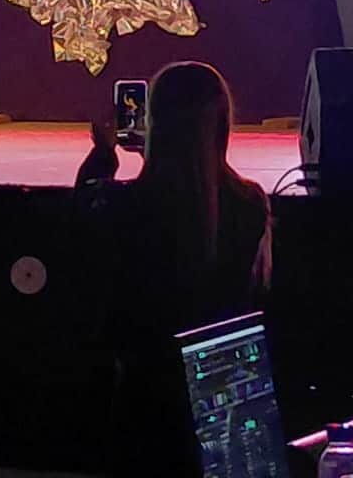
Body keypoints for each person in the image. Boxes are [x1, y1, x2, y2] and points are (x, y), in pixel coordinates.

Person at [75, 61, 273, 475]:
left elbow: (83, 220)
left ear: (154, 124)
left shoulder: (124, 207)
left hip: (146, 388)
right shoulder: (251, 203)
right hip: (226, 390)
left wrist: (104, 154)